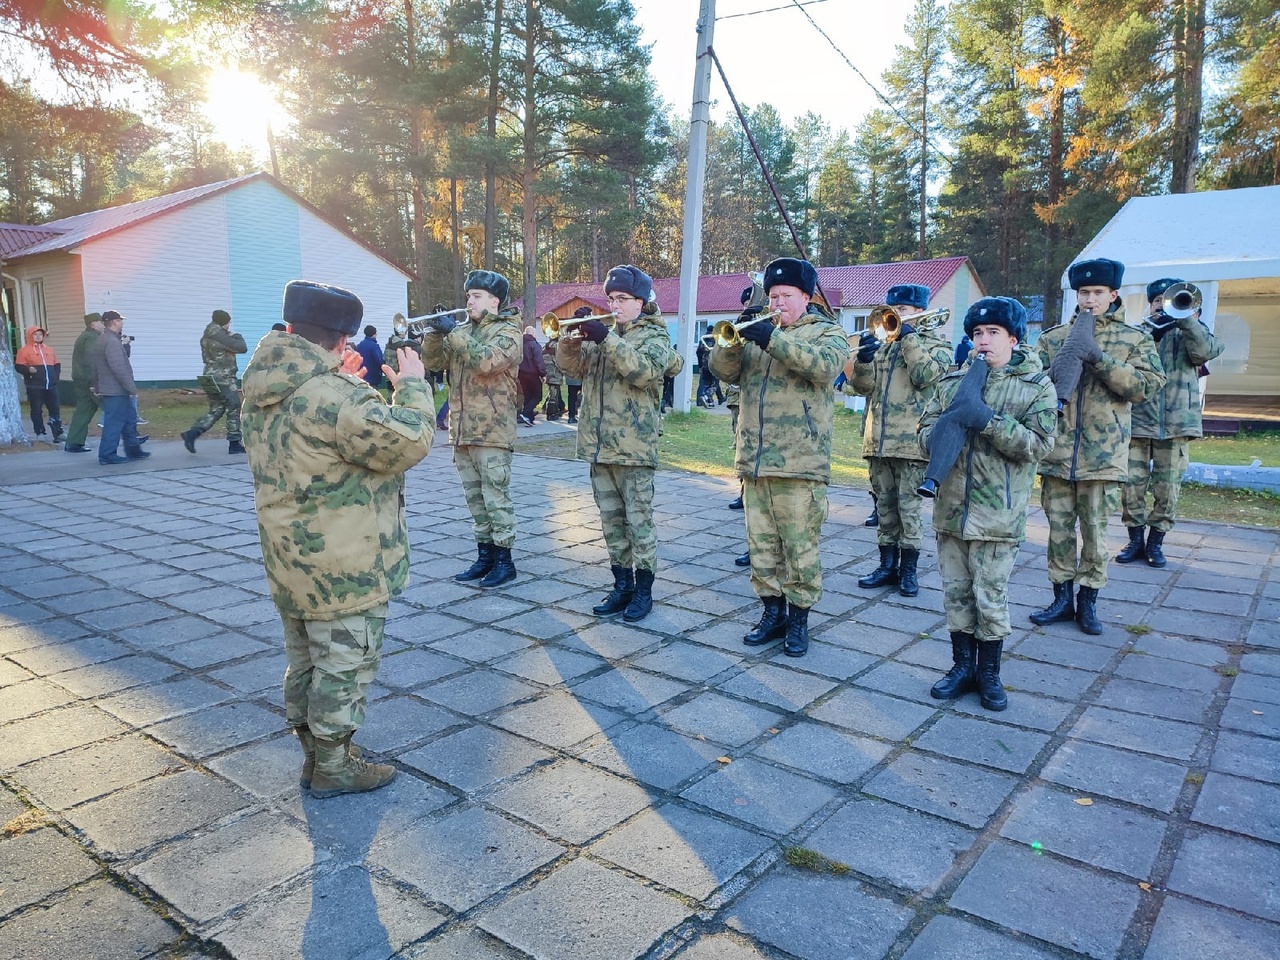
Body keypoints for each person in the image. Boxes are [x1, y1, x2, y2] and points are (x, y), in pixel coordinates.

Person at [241, 280, 435, 798]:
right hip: (344, 561)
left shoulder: (262, 382)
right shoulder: (337, 396)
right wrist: (413, 386)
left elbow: (318, 434)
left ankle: (313, 756)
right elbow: (407, 441)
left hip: (289, 556)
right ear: (342, 339)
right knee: (345, 664)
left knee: (303, 659)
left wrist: (342, 383)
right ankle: (334, 767)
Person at [920, 297, 1057, 711]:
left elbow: (1040, 446)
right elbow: (923, 434)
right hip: (951, 512)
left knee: (990, 596)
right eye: (977, 334)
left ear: (1013, 338)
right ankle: (962, 666)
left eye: (993, 333)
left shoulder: (1036, 386)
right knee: (956, 594)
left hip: (998, 516)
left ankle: (990, 673)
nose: (983, 341)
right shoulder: (950, 383)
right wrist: (948, 426)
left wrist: (987, 420)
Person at [710, 257, 850, 657]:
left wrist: (771, 337)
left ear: (806, 296)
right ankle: (772, 612)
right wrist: (731, 342)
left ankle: (799, 618)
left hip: (800, 463)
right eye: (773, 295)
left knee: (800, 547)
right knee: (762, 547)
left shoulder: (828, 333)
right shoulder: (758, 332)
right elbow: (723, 372)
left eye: (786, 296)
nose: (778, 303)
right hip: (755, 461)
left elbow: (824, 369)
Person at [1030, 258, 1164, 635]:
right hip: (1057, 453)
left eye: (1098, 293)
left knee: (1095, 533)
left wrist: (1099, 359)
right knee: (1058, 530)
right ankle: (1060, 597)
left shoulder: (1134, 339)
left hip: (1102, 457)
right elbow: (1031, 382)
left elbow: (1146, 387)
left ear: (1113, 295)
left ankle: (1088, 601)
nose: (1090, 300)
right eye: (1084, 293)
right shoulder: (1053, 338)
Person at [557, 265, 683, 622]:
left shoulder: (655, 338)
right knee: (611, 522)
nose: (615, 306)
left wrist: (606, 339)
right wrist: (571, 337)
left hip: (634, 449)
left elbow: (642, 371)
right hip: (600, 447)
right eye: (611, 298)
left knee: (638, 523)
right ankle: (621, 585)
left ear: (641, 302)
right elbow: (571, 368)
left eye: (623, 299)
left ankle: (644, 592)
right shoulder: (605, 336)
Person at [845, 284, 951, 597]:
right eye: (894, 310)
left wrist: (910, 338)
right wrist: (864, 360)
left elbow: (925, 377)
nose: (897, 316)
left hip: (913, 444)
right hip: (878, 441)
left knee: (909, 510)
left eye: (903, 311)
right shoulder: (883, 345)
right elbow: (862, 387)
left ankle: (909, 571)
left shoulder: (936, 344)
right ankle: (886, 565)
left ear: (921, 312)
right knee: (885, 509)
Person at [422, 270, 522, 587]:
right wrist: (435, 334)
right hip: (462, 430)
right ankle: (485, 558)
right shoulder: (463, 331)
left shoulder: (508, 332)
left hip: (492, 431)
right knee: (476, 501)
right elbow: (434, 363)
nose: (469, 300)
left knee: (496, 500)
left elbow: (486, 362)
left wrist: (454, 332)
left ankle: (505, 562)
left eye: (476, 296)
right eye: (468, 295)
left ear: (495, 301)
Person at [1116, 279, 1224, 568]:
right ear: (1151, 305)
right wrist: (1150, 331)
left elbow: (1206, 352)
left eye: (1169, 301)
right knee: (1131, 487)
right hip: (1137, 422)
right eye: (1157, 301)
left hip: (1177, 425)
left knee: (1167, 489)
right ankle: (1135, 540)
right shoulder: (1139, 334)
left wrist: (1186, 321)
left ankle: (1156, 543)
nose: (1162, 306)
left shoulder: (1193, 334)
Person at [181, 309, 248, 455]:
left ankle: (192, 434)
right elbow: (242, 348)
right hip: (223, 378)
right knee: (234, 407)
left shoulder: (207, 335)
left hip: (210, 376)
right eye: (228, 323)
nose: (229, 326)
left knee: (216, 409)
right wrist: (237, 335)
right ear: (224, 322)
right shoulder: (220, 336)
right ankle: (234, 443)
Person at [91, 310, 150, 465]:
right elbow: (118, 367)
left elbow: (96, 367)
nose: (122, 323)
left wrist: (96, 385)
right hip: (116, 390)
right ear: (115, 322)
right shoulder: (111, 342)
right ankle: (107, 455)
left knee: (129, 420)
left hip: (112, 388)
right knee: (114, 423)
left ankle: (134, 451)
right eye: (120, 320)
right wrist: (131, 388)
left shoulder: (103, 339)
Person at [14, 326, 63, 443]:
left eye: (40, 334)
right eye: (35, 334)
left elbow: (57, 365)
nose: (38, 337)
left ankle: (58, 432)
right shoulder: (24, 351)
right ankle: (39, 432)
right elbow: (19, 366)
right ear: (30, 336)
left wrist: (55, 378)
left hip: (50, 385)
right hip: (35, 386)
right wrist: (28, 370)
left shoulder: (49, 350)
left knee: (55, 409)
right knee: (36, 409)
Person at [64, 313, 104, 453]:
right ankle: (131, 439)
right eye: (100, 322)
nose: (103, 324)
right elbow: (92, 361)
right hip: (90, 380)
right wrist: (95, 382)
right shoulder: (91, 338)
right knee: (114, 408)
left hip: (81, 379)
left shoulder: (84, 336)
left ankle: (73, 442)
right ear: (93, 323)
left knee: (83, 410)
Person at [517, 321, 545, 426]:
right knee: (537, 396)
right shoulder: (534, 344)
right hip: (533, 374)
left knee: (528, 396)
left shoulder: (519, 344)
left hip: (521, 373)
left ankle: (529, 418)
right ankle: (524, 414)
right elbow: (539, 361)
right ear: (533, 334)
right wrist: (543, 374)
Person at [565, 306, 588, 424]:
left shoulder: (570, 328)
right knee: (583, 394)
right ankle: (575, 415)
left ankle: (571, 416)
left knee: (572, 395)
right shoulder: (584, 328)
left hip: (572, 370)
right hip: (579, 368)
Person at [383, 313, 422, 378]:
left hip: (390, 375)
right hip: (398, 376)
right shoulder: (400, 345)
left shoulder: (390, 343)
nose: (406, 332)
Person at [353, 325, 384, 390]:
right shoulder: (374, 346)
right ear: (374, 334)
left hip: (361, 376)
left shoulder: (359, 345)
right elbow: (379, 361)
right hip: (373, 376)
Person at [543, 334, 565, 421]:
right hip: (555, 374)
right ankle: (551, 414)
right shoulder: (557, 346)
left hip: (547, 374)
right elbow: (559, 361)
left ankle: (551, 408)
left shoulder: (546, 347)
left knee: (553, 393)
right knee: (553, 396)